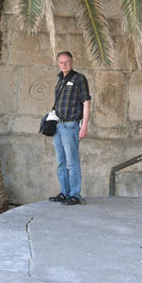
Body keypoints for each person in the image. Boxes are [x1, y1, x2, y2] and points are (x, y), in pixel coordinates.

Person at [48, 51, 91, 206]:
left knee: (72, 162)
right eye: (61, 62)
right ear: (58, 64)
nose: (64, 65)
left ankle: (75, 195)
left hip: (71, 125)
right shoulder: (59, 80)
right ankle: (65, 192)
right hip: (59, 126)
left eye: (66, 62)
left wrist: (84, 124)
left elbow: (86, 102)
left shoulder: (79, 79)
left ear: (72, 62)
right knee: (61, 162)